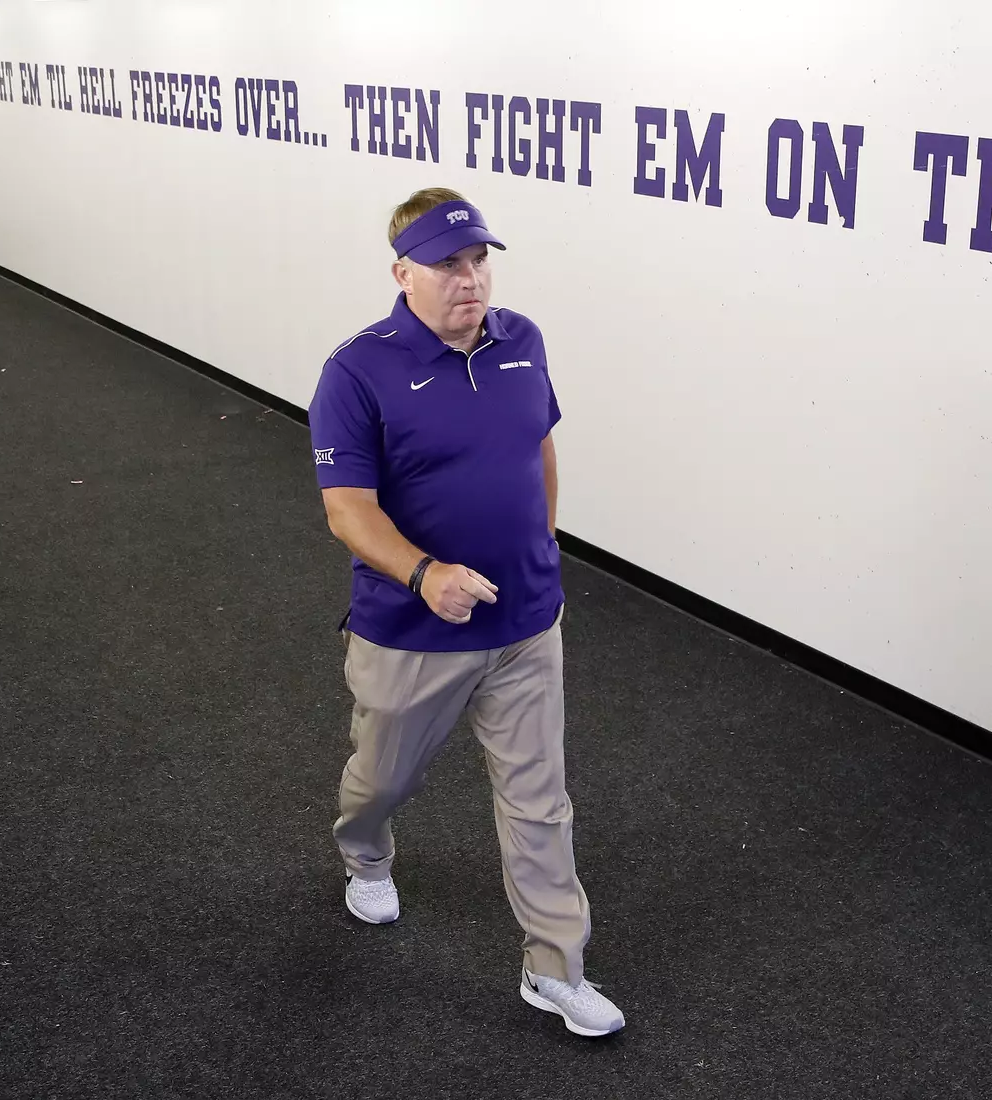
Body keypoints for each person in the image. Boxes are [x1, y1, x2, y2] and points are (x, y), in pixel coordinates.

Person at [305, 187, 623, 1038]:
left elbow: (538, 445)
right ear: (402, 271)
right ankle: (365, 851)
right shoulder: (357, 370)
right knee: (381, 781)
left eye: (479, 259)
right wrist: (424, 575)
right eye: (448, 264)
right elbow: (348, 510)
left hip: (525, 625)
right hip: (414, 631)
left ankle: (555, 967)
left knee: (539, 801)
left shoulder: (522, 340)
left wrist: (543, 544)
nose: (470, 278)